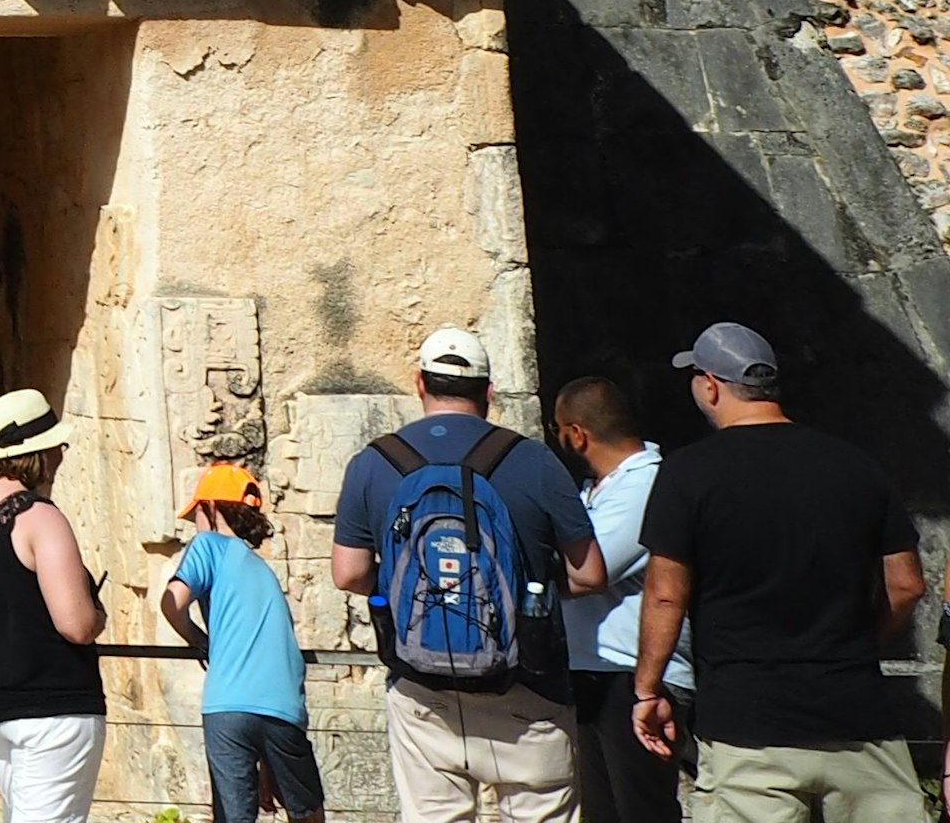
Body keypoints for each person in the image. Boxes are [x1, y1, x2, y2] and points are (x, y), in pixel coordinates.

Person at [634, 322, 926, 823]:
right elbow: (907, 584)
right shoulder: (855, 465)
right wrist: (855, 647)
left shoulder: (688, 474)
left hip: (747, 724)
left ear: (710, 385)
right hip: (858, 716)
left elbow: (665, 596)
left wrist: (647, 688)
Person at [332, 325, 608, 823]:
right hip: (526, 688)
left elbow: (349, 574)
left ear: (420, 384)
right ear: (488, 392)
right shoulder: (534, 460)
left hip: (422, 690)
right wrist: (527, 589)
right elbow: (589, 575)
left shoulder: (372, 464)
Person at [0, 387, 109, 823]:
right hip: (51, 706)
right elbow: (75, 624)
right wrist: (99, 613)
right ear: (42, 452)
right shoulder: (41, 516)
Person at [553, 373, 692, 823]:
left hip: (635, 677)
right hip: (596, 672)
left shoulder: (644, 488)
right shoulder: (600, 489)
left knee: (641, 810)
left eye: (560, 430)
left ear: (577, 435)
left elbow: (587, 572)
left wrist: (526, 575)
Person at [166, 462, 327, 823]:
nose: (194, 522)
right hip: (284, 707)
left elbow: (172, 602)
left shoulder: (208, 545)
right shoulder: (261, 569)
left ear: (211, 508)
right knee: (307, 813)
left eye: (196, 513)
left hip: (228, 705)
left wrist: (198, 640)